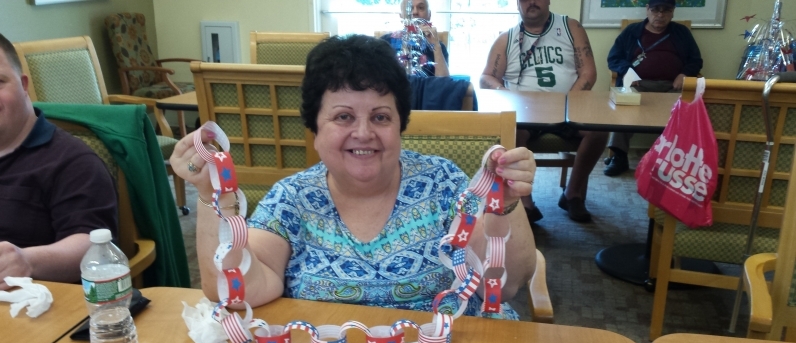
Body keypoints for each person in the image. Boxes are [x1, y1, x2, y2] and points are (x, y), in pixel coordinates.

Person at [172, 34, 537, 319]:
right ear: (315, 130)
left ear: (400, 126)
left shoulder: (442, 184)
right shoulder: (292, 199)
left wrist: (504, 206)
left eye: (380, 117)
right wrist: (211, 194)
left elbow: (504, 287)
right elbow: (238, 291)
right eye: (343, 117)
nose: (363, 133)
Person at [0, 30, 118, 291]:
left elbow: (92, 245)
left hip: (33, 303)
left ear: (23, 84)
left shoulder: (73, 162)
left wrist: (26, 261)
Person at [480, 0, 608, 223]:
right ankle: (525, 202)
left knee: (599, 131)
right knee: (512, 133)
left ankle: (572, 194)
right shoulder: (507, 39)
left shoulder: (571, 27)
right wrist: (505, 93)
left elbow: (588, 73)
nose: (531, 2)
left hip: (567, 108)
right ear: (517, 4)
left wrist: (567, 104)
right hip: (525, 113)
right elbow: (486, 77)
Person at [604, 0, 702, 176]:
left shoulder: (681, 33)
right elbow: (614, 58)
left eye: (666, 10)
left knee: (684, 110)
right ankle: (619, 157)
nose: (660, 15)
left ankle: (669, 159)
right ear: (647, 10)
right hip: (639, 85)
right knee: (624, 107)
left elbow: (695, 60)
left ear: (673, 12)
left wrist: (685, 73)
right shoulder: (632, 31)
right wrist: (627, 71)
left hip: (672, 87)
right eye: (656, 10)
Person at [380, 0, 450, 77]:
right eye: (409, 8)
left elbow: (444, 82)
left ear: (429, 15)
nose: (415, 12)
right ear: (401, 16)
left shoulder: (439, 47)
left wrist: (436, 45)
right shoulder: (385, 42)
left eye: (421, 8)